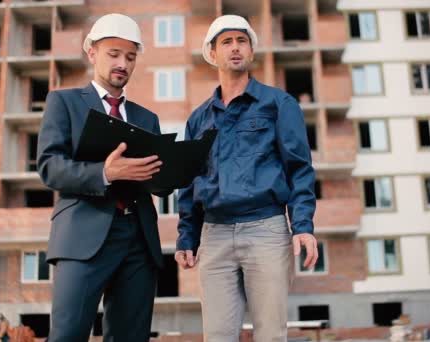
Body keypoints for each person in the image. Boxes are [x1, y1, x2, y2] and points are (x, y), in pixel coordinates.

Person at [175, 15, 319, 342]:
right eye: (226, 42)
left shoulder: (279, 104)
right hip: (214, 236)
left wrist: (303, 226)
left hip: (266, 230)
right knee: (218, 335)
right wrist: (187, 235)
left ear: (251, 51)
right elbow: (190, 181)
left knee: (270, 335)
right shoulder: (198, 119)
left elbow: (299, 169)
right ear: (212, 54)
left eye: (242, 41)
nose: (235, 48)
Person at [37, 13, 168, 342]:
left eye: (130, 57)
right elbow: (50, 166)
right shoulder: (63, 103)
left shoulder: (146, 118)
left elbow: (158, 181)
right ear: (92, 52)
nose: (123, 63)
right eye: (114, 54)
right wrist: (105, 173)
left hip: (138, 238)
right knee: (68, 335)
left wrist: (174, 171)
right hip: (83, 236)